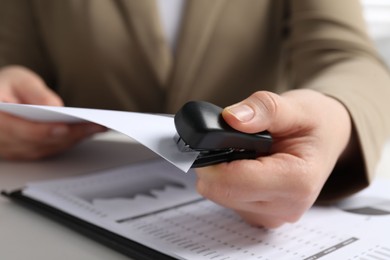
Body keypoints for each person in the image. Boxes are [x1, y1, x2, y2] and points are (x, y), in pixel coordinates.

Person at [0, 0, 390, 228]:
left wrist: (336, 113)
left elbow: (348, 55)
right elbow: (12, 57)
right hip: (62, 201)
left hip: (235, 203)